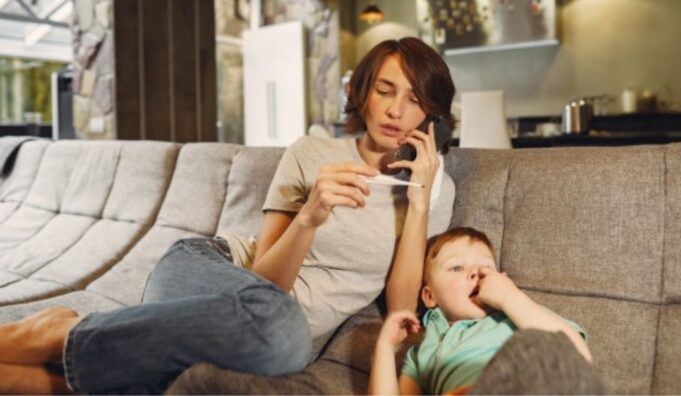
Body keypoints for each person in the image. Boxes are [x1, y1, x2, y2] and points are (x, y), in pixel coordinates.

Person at [0, 37, 457, 394]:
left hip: (258, 335)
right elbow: (266, 282)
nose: (398, 110)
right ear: (362, 94)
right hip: (210, 269)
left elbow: (400, 309)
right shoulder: (312, 152)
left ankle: (45, 355)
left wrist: (418, 203)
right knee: (282, 331)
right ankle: (52, 338)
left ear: (431, 115)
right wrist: (310, 216)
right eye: (384, 90)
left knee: (218, 364)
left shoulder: (435, 188)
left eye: (416, 100)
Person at [368, 227, 593, 395]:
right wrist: (385, 347)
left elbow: (577, 356)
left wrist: (510, 297)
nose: (475, 274)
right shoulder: (422, 353)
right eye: (457, 267)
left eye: (485, 267)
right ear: (430, 296)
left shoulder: (518, 315)